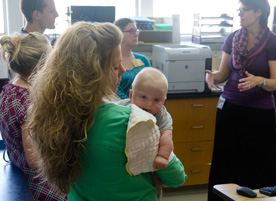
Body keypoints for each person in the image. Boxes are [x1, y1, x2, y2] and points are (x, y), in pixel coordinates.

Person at [27, 21, 186, 201]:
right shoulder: (133, 122)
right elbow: (176, 177)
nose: (123, 71)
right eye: (116, 67)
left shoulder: (57, 114)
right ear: (95, 72)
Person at [205, 0, 276, 200]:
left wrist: (260, 80)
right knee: (225, 162)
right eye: (238, 10)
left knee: (256, 165)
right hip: (230, 108)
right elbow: (223, 74)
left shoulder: (273, 41)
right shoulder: (232, 38)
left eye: (243, 10)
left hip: (258, 114)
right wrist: (211, 76)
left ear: (258, 12)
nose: (239, 14)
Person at [0, 33, 66, 200]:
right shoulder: (29, 102)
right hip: (36, 182)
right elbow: (35, 161)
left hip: (16, 161)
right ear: (38, 68)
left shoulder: (10, 88)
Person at [118, 68, 174, 200]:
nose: (149, 104)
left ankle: (158, 195)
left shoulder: (162, 115)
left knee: (155, 181)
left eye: (156, 100)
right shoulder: (123, 107)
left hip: (152, 158)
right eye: (143, 97)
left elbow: (167, 136)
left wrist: (162, 156)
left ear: (164, 101)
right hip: (128, 153)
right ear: (131, 95)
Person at [114, 18, 152, 99]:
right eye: (131, 31)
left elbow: (152, 85)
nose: (136, 34)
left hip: (145, 107)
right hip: (122, 107)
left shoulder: (143, 60)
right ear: (119, 33)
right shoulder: (111, 62)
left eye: (136, 31)